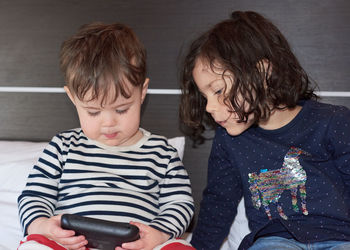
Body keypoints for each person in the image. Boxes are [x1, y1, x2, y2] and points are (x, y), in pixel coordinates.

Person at [180, 10, 350, 250]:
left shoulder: (333, 122)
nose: (209, 107)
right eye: (204, 96)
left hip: (340, 238)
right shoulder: (229, 140)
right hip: (275, 240)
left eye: (217, 91)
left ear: (261, 74)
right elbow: (219, 204)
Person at [18, 22, 194, 250]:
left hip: (136, 247)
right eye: (93, 112)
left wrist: (158, 235)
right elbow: (34, 196)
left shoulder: (162, 153)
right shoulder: (63, 146)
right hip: (71, 245)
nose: (109, 122)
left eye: (121, 109)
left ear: (142, 92)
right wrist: (42, 225)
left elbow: (180, 203)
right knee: (34, 245)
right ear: (72, 98)